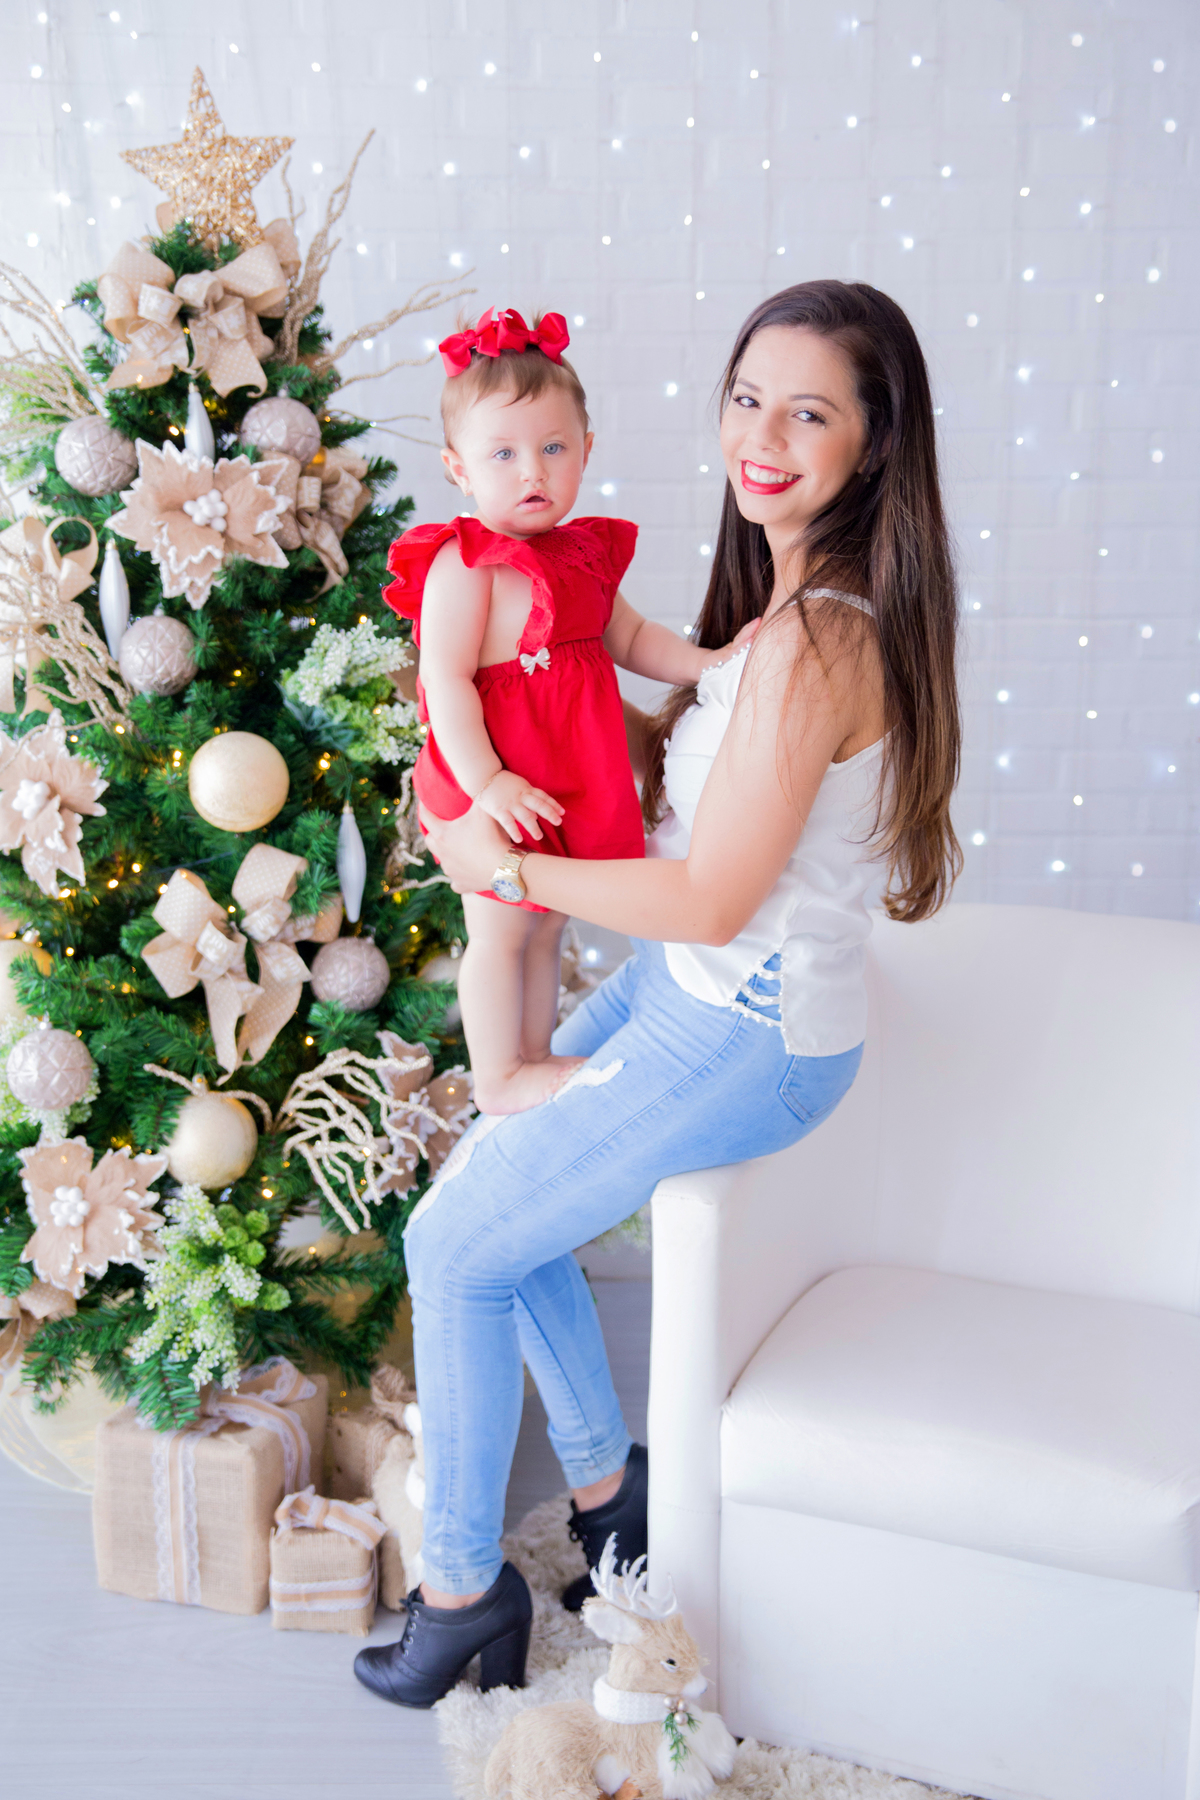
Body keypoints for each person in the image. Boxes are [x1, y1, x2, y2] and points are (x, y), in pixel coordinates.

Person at [354, 280, 962, 1709]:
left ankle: (461, 1591)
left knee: (452, 1247)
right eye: (747, 398)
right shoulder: (779, 608)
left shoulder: (823, 636)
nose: (762, 434)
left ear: (873, 444)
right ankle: (610, 1499)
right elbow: (681, 797)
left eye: (809, 411)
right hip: (701, 993)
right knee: (504, 1192)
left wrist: (486, 860)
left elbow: (708, 898)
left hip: (744, 1024)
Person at [382, 307, 753, 1115]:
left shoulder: (580, 555)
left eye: (554, 448)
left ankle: (534, 1055)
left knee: (550, 922)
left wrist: (711, 663)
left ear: (587, 451)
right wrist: (486, 786)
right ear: (458, 466)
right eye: (504, 454)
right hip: (495, 773)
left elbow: (632, 638)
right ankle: (496, 1076)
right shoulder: (464, 565)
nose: (532, 472)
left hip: (564, 774)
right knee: (501, 928)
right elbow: (443, 682)